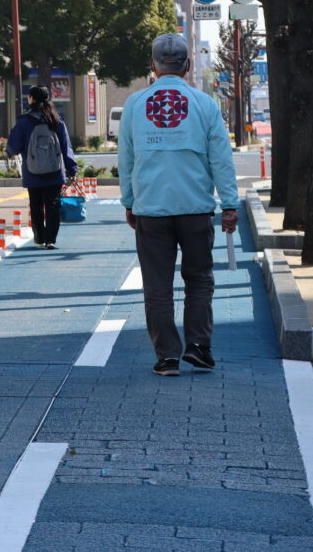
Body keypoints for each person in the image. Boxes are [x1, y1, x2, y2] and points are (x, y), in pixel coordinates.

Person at [118, 33, 239, 377]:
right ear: (187, 65)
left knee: (157, 285)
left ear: (153, 66)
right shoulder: (204, 105)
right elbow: (221, 159)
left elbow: (126, 160)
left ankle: (167, 356)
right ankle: (199, 347)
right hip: (196, 208)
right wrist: (229, 203)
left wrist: (129, 200)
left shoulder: (135, 104)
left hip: (151, 210)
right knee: (199, 280)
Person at [5, 85, 78, 249]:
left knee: (36, 206)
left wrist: (9, 151)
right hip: (54, 172)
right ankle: (51, 239)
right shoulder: (56, 121)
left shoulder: (24, 122)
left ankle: (39, 238)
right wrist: (72, 169)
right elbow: (66, 148)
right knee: (52, 206)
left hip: (33, 172)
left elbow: (13, 147)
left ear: (32, 99)